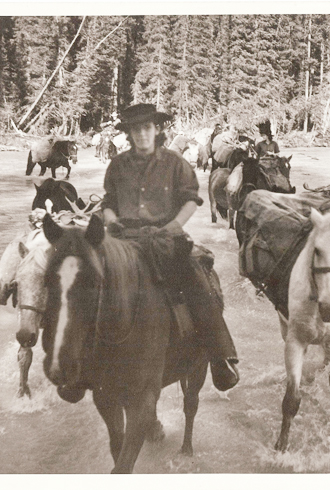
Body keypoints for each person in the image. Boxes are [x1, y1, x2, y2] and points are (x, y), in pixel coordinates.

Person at [101, 103, 240, 392]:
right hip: (123, 240)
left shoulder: (176, 163)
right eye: (135, 129)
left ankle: (219, 356)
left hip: (165, 239)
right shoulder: (117, 165)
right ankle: (79, 358)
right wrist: (112, 222)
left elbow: (191, 199)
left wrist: (174, 226)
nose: (141, 134)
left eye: (146, 128)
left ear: (157, 130)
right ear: (129, 133)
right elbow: (109, 203)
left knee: (196, 280)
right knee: (89, 279)